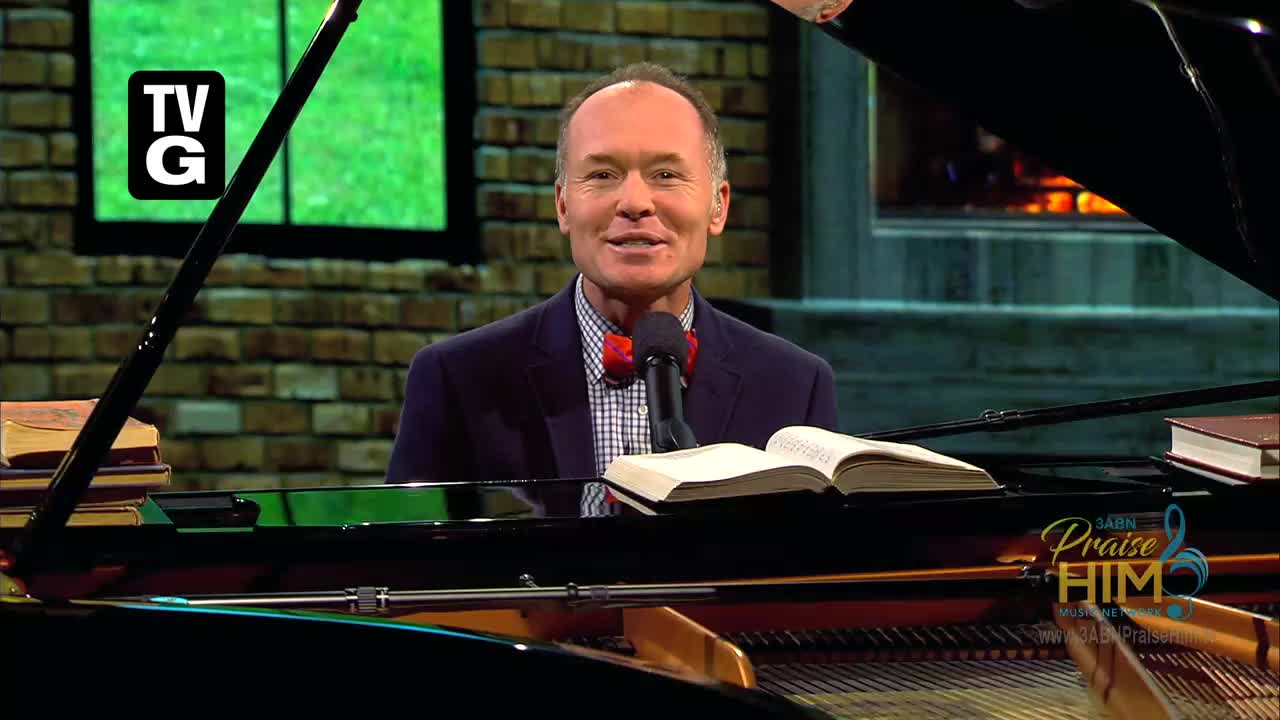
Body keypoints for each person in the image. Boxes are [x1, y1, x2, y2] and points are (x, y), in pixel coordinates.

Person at [385, 62, 838, 514]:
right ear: (563, 206)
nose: (635, 203)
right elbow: (410, 571)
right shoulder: (457, 379)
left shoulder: (795, 384)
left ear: (717, 207)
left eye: (666, 175)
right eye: (602, 175)